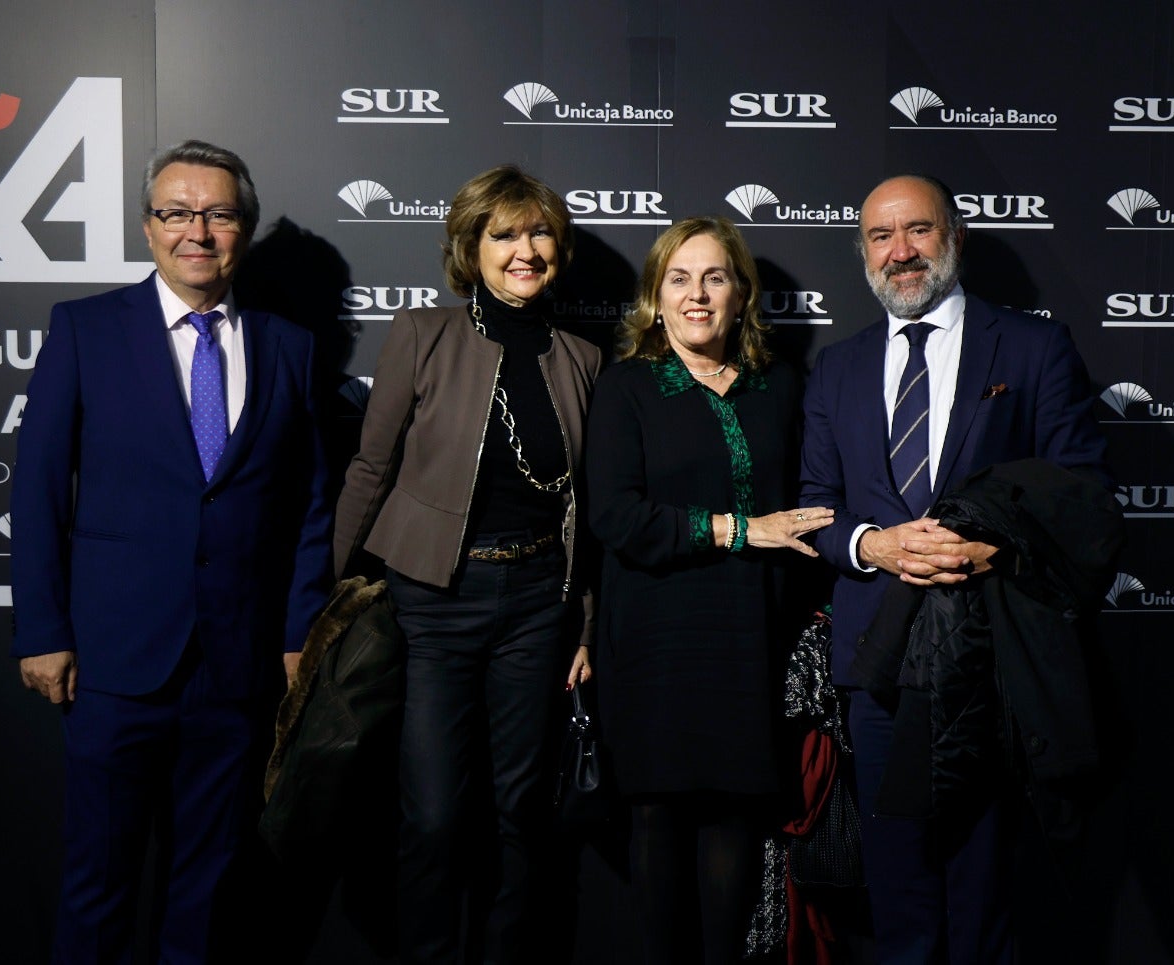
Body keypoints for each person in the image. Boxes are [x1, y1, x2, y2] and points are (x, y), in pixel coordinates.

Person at [10, 139, 333, 964]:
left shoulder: (289, 347)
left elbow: (309, 504)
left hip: (235, 667)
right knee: (99, 882)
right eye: (177, 212)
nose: (198, 230)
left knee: (209, 889)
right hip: (113, 663)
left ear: (243, 229)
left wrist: (299, 632)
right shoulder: (85, 330)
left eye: (218, 214)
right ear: (149, 226)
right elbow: (38, 488)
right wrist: (41, 627)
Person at [798, 174, 1110, 963]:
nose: (900, 252)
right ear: (864, 251)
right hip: (878, 662)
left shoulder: (1033, 347)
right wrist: (875, 544)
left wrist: (991, 549)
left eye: (918, 230)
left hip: (990, 656)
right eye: (880, 236)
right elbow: (817, 504)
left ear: (955, 237)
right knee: (898, 895)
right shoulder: (836, 367)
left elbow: (1084, 496)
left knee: (983, 897)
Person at [331, 163, 601, 965]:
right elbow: (370, 469)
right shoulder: (423, 333)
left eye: (540, 232)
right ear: (469, 247)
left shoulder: (584, 357)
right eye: (504, 234)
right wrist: (324, 602)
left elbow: (589, 505)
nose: (525, 250)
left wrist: (585, 621)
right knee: (435, 814)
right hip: (434, 600)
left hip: (537, 605)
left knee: (521, 808)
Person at [585, 216, 833, 965]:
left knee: (734, 820)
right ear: (655, 297)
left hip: (748, 639)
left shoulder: (779, 386)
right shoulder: (627, 385)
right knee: (657, 821)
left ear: (741, 294)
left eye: (715, 277)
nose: (697, 295)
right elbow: (616, 517)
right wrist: (739, 529)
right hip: (654, 642)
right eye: (680, 279)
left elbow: (807, 505)